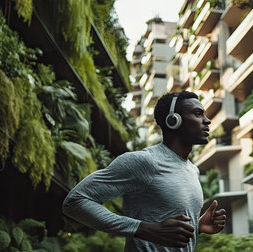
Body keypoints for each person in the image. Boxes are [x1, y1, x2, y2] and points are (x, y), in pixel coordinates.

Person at [62, 91, 226, 251]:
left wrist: (197, 226)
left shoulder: (192, 170)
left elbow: (167, 234)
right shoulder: (145, 161)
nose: (207, 120)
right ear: (173, 120)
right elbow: (75, 201)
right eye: (198, 114)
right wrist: (145, 229)